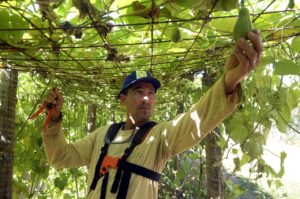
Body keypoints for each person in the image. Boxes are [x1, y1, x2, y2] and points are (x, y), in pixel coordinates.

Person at [42, 30, 263, 199]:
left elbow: (197, 119)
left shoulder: (160, 136)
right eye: (138, 92)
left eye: (151, 93)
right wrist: (53, 120)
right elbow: (60, 158)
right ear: (123, 99)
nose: (146, 98)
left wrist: (230, 81)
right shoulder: (102, 136)